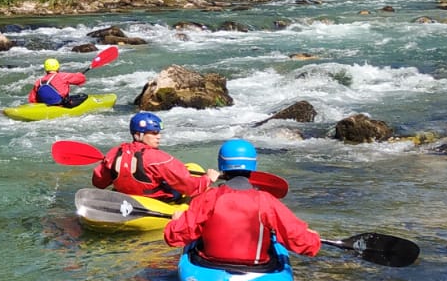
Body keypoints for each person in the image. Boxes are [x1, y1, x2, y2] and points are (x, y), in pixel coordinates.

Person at [161, 138, 320, 266]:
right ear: (253, 165)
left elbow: (174, 237)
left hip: (210, 265)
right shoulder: (266, 200)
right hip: (257, 268)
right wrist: (313, 239)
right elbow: (299, 239)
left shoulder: (208, 198)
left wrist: (176, 222)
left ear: (221, 165)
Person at [92, 112, 218, 203]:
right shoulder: (158, 158)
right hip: (155, 200)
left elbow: (99, 183)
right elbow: (189, 187)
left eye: (158, 133)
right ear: (138, 135)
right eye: (153, 133)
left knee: (186, 169)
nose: (159, 137)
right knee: (197, 187)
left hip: (125, 197)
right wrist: (207, 179)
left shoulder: (113, 153)